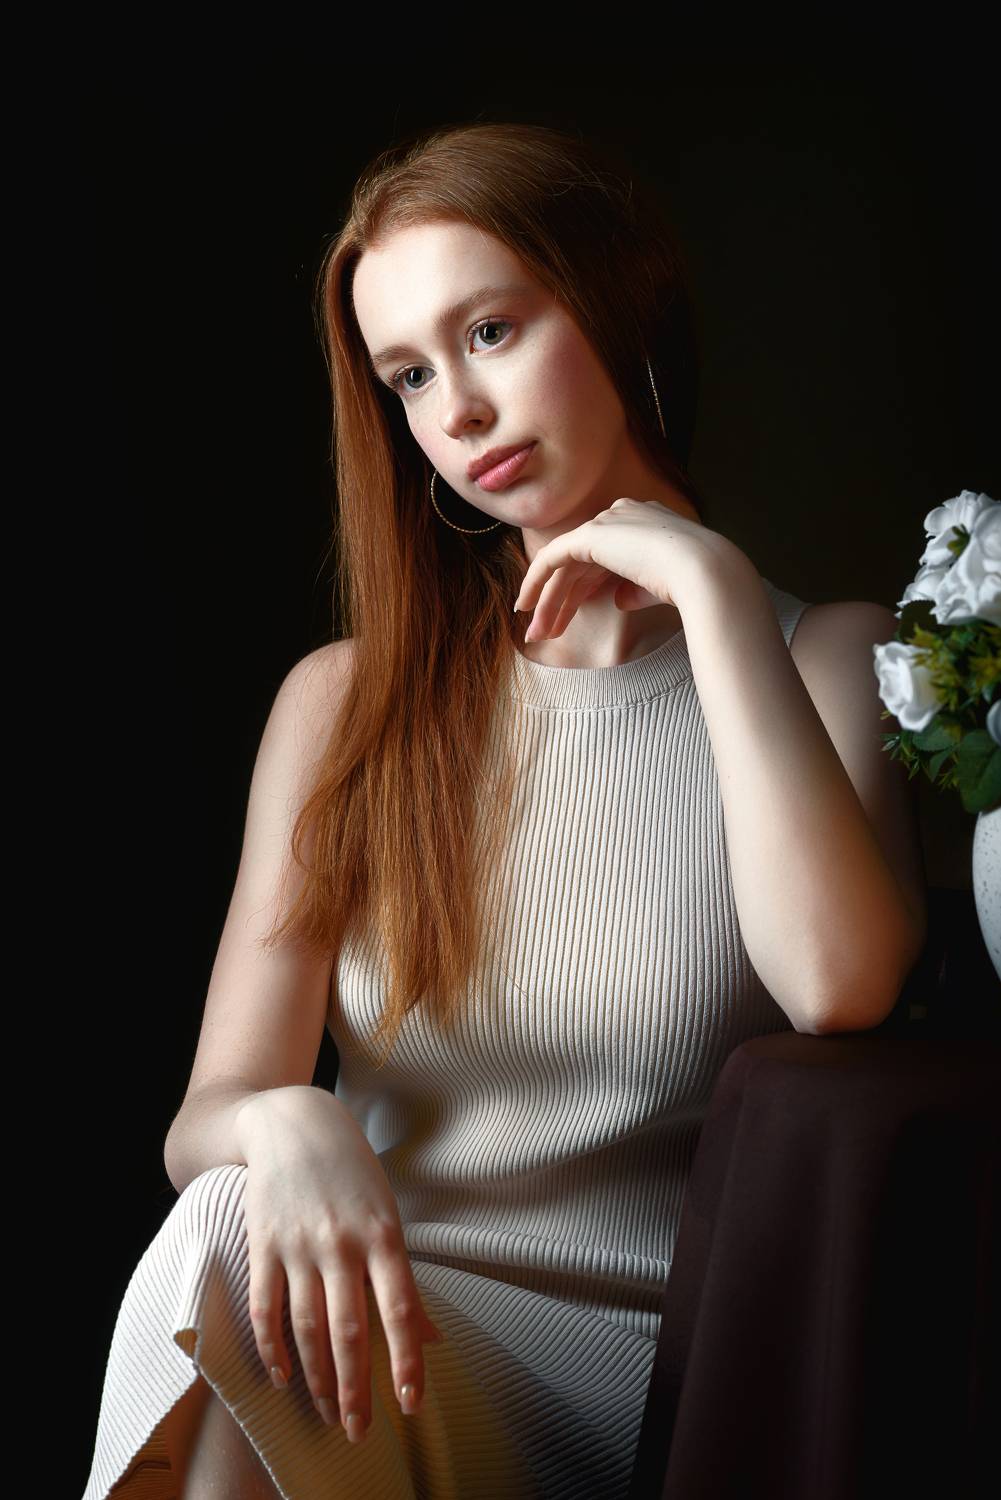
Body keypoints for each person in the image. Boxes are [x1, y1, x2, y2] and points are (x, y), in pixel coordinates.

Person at [83, 120, 927, 1499]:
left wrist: (712, 592)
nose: (458, 413)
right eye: (410, 376)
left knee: (235, 1289)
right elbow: (205, 1119)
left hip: (643, 1374)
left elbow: (840, 985)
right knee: (230, 1221)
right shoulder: (342, 703)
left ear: (617, 306)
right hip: (372, 1328)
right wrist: (286, 1126)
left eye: (489, 332)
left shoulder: (829, 659)